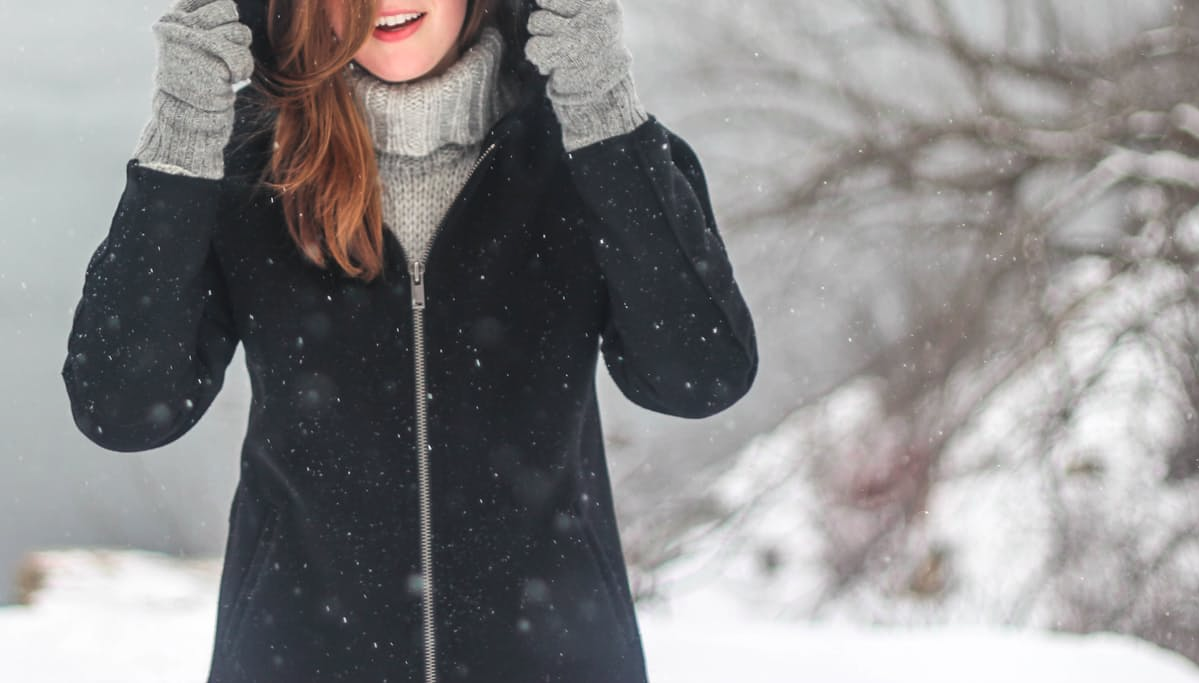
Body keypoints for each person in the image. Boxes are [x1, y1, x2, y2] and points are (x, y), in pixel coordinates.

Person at [59, 0, 758, 680]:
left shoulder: (587, 148)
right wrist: (184, 130)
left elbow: (700, 377)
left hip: (557, 661)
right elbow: (122, 408)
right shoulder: (248, 163)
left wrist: (601, 105)